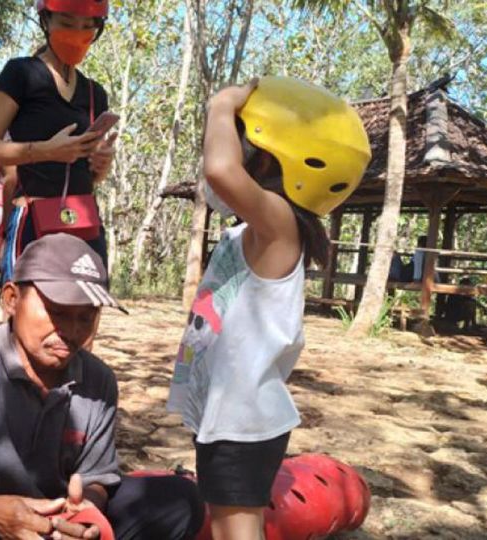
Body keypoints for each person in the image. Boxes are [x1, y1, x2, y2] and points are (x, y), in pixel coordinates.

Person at [0, 233, 205, 540]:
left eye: (86, 317)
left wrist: (87, 510)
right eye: (57, 312)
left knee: (180, 500)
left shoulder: (98, 380)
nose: (71, 331)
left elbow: (95, 478)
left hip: (50, 523)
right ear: (11, 300)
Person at [167, 76, 370, 539]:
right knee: (227, 527)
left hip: (245, 423)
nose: (228, 153)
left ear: (270, 162)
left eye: (241, 144)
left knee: (236, 532)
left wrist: (222, 103)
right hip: (233, 419)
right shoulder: (253, 233)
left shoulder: (279, 227)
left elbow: (220, 170)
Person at [0, 0, 118, 284]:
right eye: (66, 23)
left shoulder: (94, 93)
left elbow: (90, 175)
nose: (77, 34)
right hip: (32, 219)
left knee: (83, 317)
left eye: (87, 27)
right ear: (46, 21)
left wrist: (101, 163)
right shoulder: (20, 74)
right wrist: (47, 151)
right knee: (28, 318)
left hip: (83, 223)